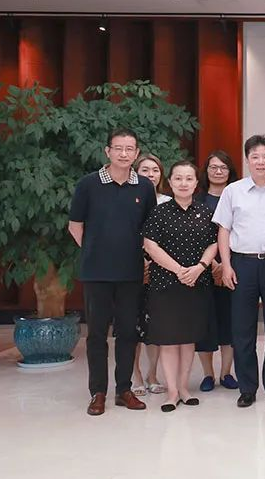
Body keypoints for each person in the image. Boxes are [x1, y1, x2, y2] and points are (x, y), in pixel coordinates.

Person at [68, 128, 156, 416]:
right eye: (118, 148)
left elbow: (149, 228)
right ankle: (98, 392)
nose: (124, 154)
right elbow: (75, 225)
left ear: (136, 153)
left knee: (128, 332)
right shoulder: (88, 184)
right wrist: (94, 249)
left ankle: (124, 390)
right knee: (96, 334)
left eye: (130, 149)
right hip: (96, 272)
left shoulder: (144, 186)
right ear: (107, 151)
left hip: (131, 272)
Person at [213, 135, 265, 408]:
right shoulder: (233, 191)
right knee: (243, 329)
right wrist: (226, 266)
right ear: (247, 159)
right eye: (255, 157)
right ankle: (247, 387)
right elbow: (224, 230)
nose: (261, 162)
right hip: (242, 264)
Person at [142, 161, 218, 412]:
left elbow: (214, 243)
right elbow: (151, 246)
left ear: (196, 183)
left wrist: (200, 267)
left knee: (187, 339)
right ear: (170, 182)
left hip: (197, 282)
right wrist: (179, 270)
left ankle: (184, 388)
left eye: (189, 178)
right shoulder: (159, 212)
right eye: (178, 178)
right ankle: (171, 392)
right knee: (168, 339)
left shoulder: (206, 212)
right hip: (165, 284)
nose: (183, 183)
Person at [194, 150, 238, 392]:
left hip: (232, 268)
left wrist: (226, 265)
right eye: (214, 167)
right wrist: (212, 265)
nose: (218, 171)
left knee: (230, 321)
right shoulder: (197, 199)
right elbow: (192, 237)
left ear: (230, 171)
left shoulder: (237, 196)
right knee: (205, 321)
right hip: (202, 268)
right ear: (206, 171)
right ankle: (208, 374)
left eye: (223, 167)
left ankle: (226, 373)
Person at [130, 154, 170, 397]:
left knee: (156, 326)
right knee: (133, 326)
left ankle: (152, 374)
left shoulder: (167, 202)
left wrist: (154, 262)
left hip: (161, 269)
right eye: (145, 170)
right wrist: (141, 261)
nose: (151, 174)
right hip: (131, 268)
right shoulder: (128, 198)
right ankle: (135, 374)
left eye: (155, 170)